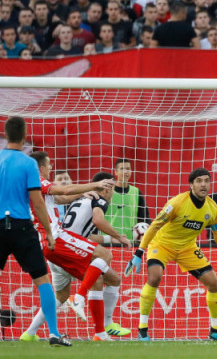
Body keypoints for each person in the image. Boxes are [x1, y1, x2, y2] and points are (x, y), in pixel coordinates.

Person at [20, 163, 130, 341]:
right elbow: (98, 220)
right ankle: (98, 323)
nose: (113, 193)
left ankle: (29, 333)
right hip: (66, 248)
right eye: (112, 187)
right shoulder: (99, 201)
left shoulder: (79, 200)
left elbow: (86, 236)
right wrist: (118, 236)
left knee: (62, 295)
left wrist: (111, 239)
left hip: (58, 250)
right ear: (106, 187)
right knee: (100, 274)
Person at [125, 168, 217, 341]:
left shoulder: (212, 207)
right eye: (199, 181)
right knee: (155, 277)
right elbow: (155, 225)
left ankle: (216, 330)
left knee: (215, 284)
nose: (203, 184)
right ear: (191, 185)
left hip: (187, 248)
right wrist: (139, 252)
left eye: (207, 181)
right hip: (162, 244)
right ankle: (142, 329)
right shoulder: (177, 203)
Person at [0, 117, 71, 347]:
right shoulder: (28, 163)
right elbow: (38, 201)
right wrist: (48, 232)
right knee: (42, 281)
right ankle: (54, 333)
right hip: (22, 226)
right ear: (24, 136)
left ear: (5, 134)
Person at [107, 158, 151, 242]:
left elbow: (144, 218)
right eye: (122, 169)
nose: (125, 172)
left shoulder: (136, 192)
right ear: (116, 172)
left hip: (129, 242)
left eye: (128, 169)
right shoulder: (107, 191)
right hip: (109, 242)